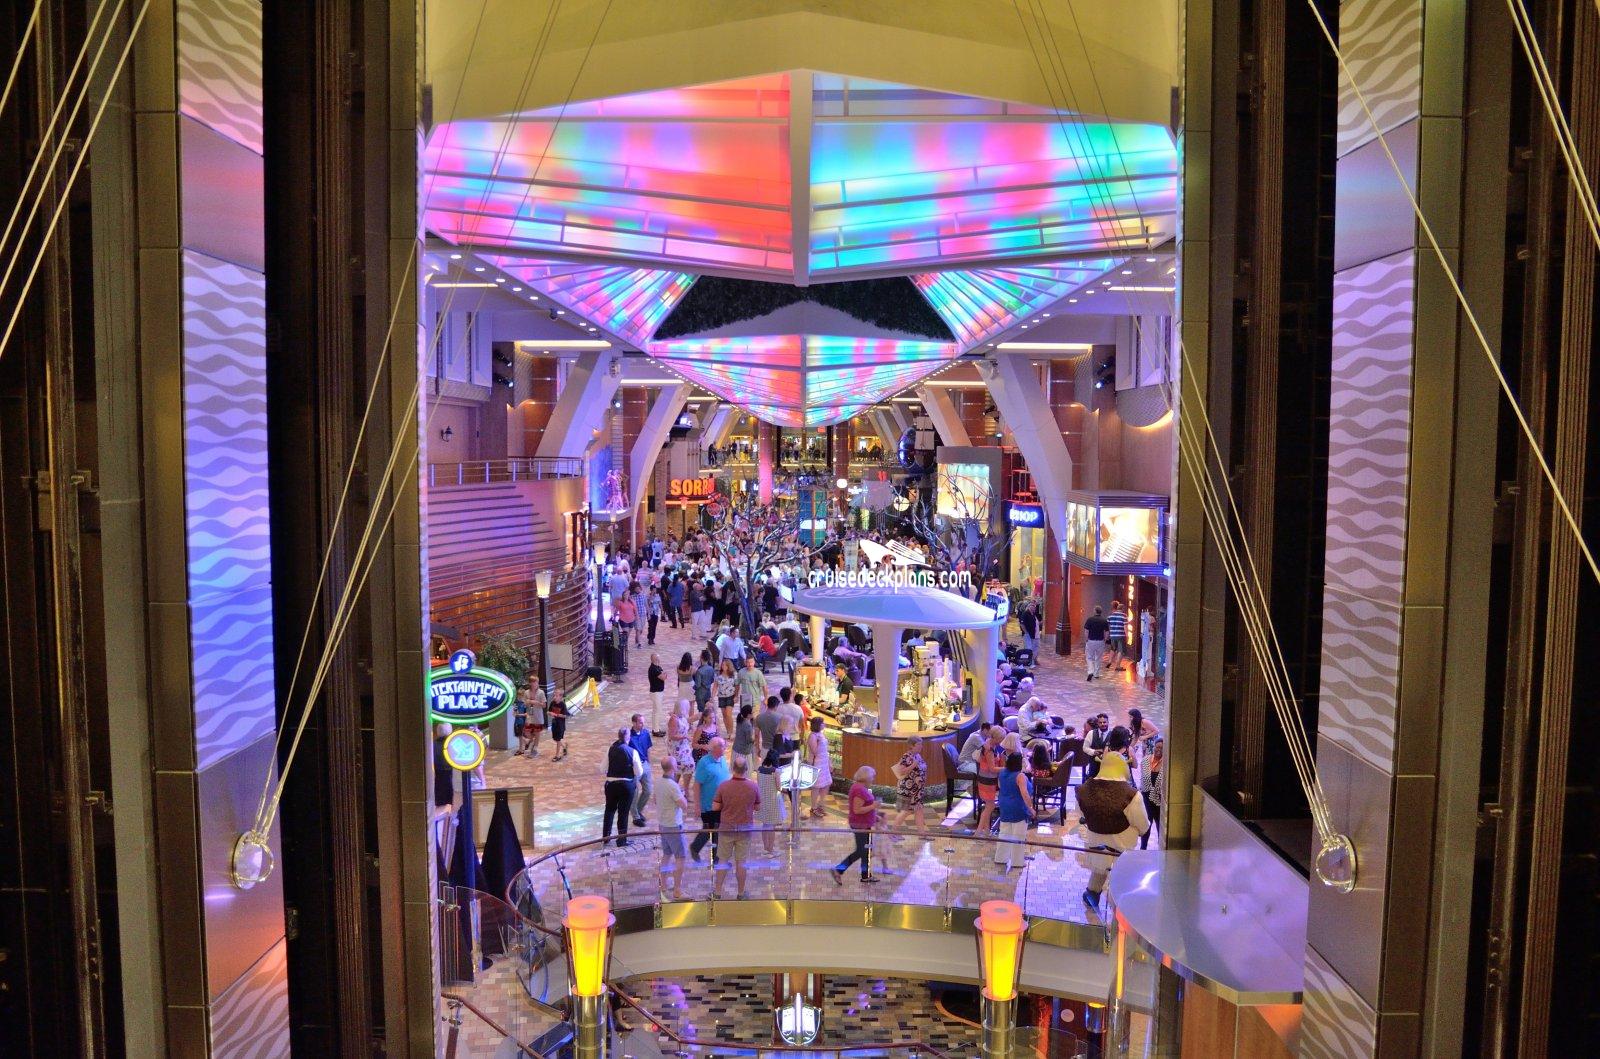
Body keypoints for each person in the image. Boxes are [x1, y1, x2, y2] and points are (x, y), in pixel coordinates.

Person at [1076, 727, 1150, 913]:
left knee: (1098, 871)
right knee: (1120, 881)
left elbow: (1081, 815)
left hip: (1095, 844)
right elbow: (1143, 826)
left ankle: (1092, 894)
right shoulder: (1131, 795)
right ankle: (1117, 905)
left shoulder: (1083, 790)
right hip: (1121, 847)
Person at [711, 755, 761, 899]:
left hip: (727, 828)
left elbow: (715, 807)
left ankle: (718, 892)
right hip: (745, 829)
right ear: (746, 769)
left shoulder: (724, 786)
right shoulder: (753, 786)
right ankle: (740, 893)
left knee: (723, 860)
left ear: (733, 768)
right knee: (741, 862)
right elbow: (758, 807)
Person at [829, 766, 880, 884]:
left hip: (864, 824)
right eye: (872, 777)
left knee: (866, 850)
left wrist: (874, 815)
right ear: (866, 777)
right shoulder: (859, 790)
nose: (873, 779)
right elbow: (857, 810)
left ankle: (865, 875)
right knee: (862, 851)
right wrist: (873, 806)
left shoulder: (859, 787)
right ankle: (839, 869)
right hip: (860, 825)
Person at [689, 737, 730, 864]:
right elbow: (697, 785)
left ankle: (698, 849)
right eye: (722, 745)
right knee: (713, 830)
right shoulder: (704, 763)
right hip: (709, 805)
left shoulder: (722, 759)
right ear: (714, 748)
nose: (725, 747)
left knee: (714, 830)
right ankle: (715, 860)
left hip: (722, 804)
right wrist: (697, 806)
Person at [994, 750, 1035, 870]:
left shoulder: (1002, 772)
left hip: (1004, 805)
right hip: (1018, 807)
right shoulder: (1020, 776)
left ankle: (1000, 858)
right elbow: (1024, 794)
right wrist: (1030, 808)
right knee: (1018, 836)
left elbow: (1000, 787)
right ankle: (1017, 861)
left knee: (1004, 833)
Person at [655, 758, 689, 898]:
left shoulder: (658, 782)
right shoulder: (672, 785)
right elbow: (684, 805)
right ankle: (677, 890)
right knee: (680, 857)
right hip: (674, 825)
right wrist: (683, 795)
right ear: (673, 767)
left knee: (667, 854)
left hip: (663, 824)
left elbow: (655, 800)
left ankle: (663, 885)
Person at [602, 729, 640, 847]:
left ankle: (606, 837)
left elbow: (602, 768)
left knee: (609, 810)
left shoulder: (610, 749)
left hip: (611, 785)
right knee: (623, 813)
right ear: (628, 738)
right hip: (626, 786)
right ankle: (621, 840)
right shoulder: (632, 752)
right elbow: (639, 772)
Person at [755, 742, 790, 852]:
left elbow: (759, 784)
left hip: (762, 800)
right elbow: (779, 788)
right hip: (773, 801)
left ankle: (765, 848)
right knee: (771, 827)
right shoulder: (776, 771)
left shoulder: (759, 769)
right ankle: (770, 850)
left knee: (765, 825)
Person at [974, 726, 1005, 835]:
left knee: (988, 806)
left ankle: (987, 831)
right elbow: (992, 768)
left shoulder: (989, 744)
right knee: (991, 806)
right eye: (1001, 738)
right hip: (987, 780)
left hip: (985, 778)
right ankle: (978, 831)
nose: (1002, 741)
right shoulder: (989, 750)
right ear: (995, 738)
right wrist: (1006, 768)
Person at [894, 736, 928, 831]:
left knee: (919, 810)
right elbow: (901, 771)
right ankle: (892, 832)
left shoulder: (917, 756)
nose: (921, 746)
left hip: (917, 791)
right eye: (918, 744)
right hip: (908, 790)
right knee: (906, 811)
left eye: (921, 744)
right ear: (911, 746)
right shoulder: (906, 756)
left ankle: (922, 834)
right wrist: (913, 765)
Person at [627, 714, 654, 827]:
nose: (643, 724)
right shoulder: (628, 736)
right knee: (634, 792)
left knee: (648, 790)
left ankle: (637, 810)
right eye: (640, 722)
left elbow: (648, 749)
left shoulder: (645, 733)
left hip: (645, 764)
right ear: (634, 723)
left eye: (643, 722)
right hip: (634, 767)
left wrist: (649, 764)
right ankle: (636, 817)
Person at [1139, 738, 1164, 849]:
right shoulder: (1145, 760)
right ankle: (1143, 849)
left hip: (1160, 800)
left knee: (1160, 827)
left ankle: (1161, 850)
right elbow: (1142, 779)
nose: (1159, 750)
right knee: (1146, 825)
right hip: (1146, 799)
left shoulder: (1167, 764)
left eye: (1162, 748)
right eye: (1157, 747)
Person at [805, 715, 832, 818]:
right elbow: (815, 751)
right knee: (817, 786)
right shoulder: (813, 736)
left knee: (826, 784)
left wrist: (829, 762)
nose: (824, 724)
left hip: (824, 762)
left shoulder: (821, 734)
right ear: (818, 725)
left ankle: (821, 804)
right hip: (817, 763)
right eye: (822, 723)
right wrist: (820, 742)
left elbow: (826, 750)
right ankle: (814, 807)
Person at [668, 699, 695, 773]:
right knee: (683, 767)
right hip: (677, 748)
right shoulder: (674, 719)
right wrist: (685, 737)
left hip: (684, 746)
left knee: (688, 768)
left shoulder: (682, 717)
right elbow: (672, 736)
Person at [1083, 606, 1109, 681]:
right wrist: (1105, 640)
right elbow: (1107, 632)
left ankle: (1090, 671)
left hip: (1091, 641)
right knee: (1098, 657)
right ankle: (1096, 674)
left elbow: (1086, 631)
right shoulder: (1104, 620)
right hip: (1100, 641)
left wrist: (1086, 639)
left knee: (1089, 657)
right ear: (1101, 612)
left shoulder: (1089, 619)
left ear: (1095, 611)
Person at [546, 691, 569, 762]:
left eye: (556, 696)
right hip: (554, 724)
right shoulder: (552, 703)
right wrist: (550, 713)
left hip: (560, 725)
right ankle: (564, 747)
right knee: (555, 739)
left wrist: (557, 715)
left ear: (560, 697)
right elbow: (548, 712)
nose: (554, 697)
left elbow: (565, 715)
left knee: (558, 740)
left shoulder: (562, 705)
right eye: (554, 696)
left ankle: (557, 756)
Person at [1106, 601, 1129, 671]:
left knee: (1113, 649)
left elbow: (1108, 627)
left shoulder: (1110, 616)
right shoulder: (1124, 616)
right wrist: (1127, 636)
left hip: (1113, 635)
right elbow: (1125, 627)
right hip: (1121, 635)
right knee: (1120, 651)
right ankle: (1118, 666)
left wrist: (1108, 635)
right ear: (1122, 609)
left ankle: (1109, 661)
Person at [647, 653, 666, 735]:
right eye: (658, 658)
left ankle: (655, 729)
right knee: (657, 711)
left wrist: (663, 674)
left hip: (658, 692)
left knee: (656, 711)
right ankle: (656, 730)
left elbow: (663, 676)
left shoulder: (657, 667)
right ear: (655, 659)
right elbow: (663, 677)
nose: (659, 659)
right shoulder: (653, 669)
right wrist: (664, 674)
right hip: (656, 693)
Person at [644, 579, 662, 645]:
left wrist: (662, 611)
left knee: (654, 626)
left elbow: (660, 604)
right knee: (650, 626)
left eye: (655, 590)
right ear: (651, 590)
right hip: (650, 613)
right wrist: (651, 595)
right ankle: (650, 638)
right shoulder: (647, 596)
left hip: (656, 613)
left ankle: (653, 638)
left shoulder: (658, 596)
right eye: (654, 590)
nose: (655, 591)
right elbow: (648, 603)